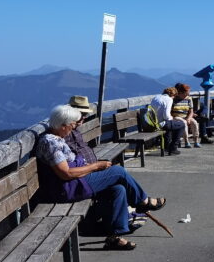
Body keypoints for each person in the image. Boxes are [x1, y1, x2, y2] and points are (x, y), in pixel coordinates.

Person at [36, 103, 166, 251]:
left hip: (75, 182)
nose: (73, 128)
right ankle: (143, 201)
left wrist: (93, 167)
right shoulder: (50, 143)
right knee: (118, 172)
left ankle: (115, 237)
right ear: (63, 125)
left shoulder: (56, 138)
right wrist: (96, 166)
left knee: (118, 189)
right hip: (66, 188)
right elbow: (66, 174)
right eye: (72, 125)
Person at [150, 87, 186, 155]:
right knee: (181, 124)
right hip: (160, 124)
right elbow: (166, 115)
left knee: (170, 125)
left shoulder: (156, 97)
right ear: (173, 95)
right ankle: (173, 148)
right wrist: (172, 118)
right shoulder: (169, 99)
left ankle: (167, 146)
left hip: (152, 123)